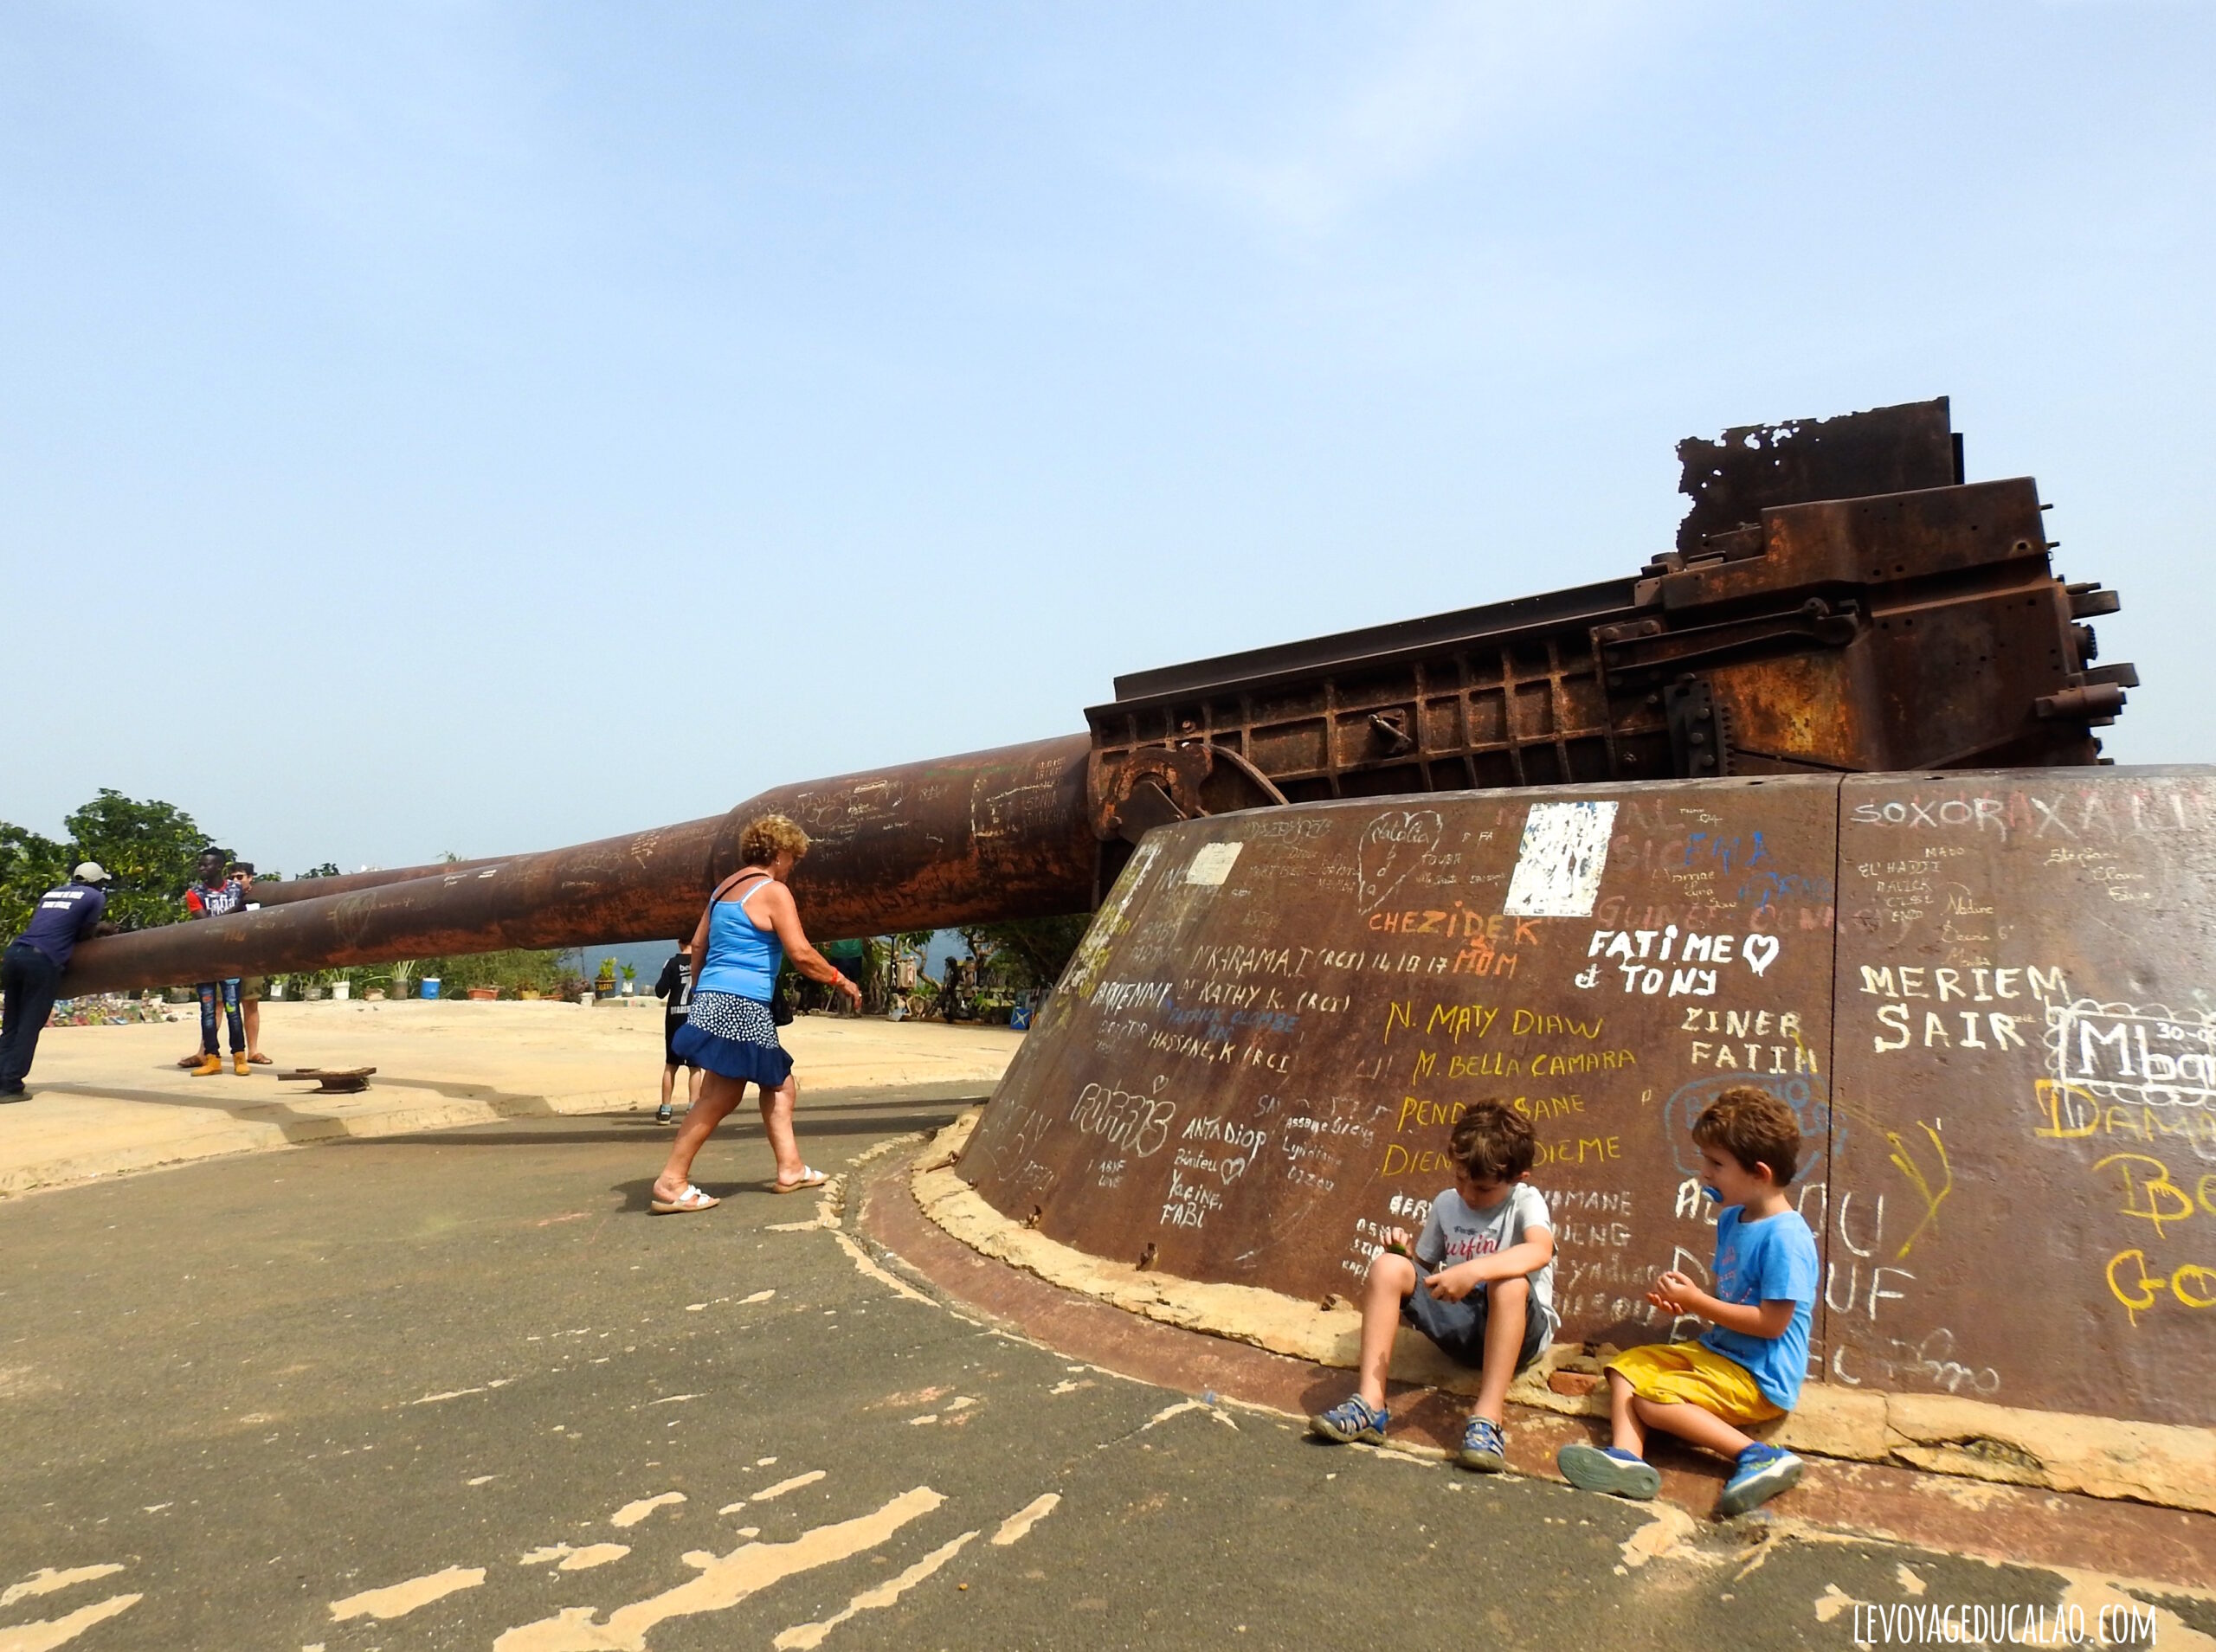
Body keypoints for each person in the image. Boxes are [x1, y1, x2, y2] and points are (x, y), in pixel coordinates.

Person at [1556, 1084, 1818, 1517]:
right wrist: (1689, 1302)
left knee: (1651, 1398)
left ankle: (1759, 1456)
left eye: (1716, 1164)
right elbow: (1734, 1298)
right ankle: (1626, 1458)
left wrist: (1697, 1303)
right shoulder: (1735, 1217)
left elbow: (1772, 1324)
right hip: (1723, 1353)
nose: (1704, 1174)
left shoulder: (1786, 1238)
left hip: (1761, 1376)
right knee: (1625, 1368)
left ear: (1759, 1173)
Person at [1310, 1101, 1556, 1472]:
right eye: (1460, 1179)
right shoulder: (1446, 1203)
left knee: (1508, 1284)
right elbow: (1423, 1270)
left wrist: (1473, 1271)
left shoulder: (1526, 1200)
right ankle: (1371, 1403)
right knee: (1387, 1268)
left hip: (1517, 1332)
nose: (1469, 1194)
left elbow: (1540, 1249)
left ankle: (1488, 1419)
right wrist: (1403, 1256)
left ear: (1519, 1177)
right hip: (1461, 1325)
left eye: (1484, 1188)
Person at [649, 814, 861, 1213]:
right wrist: (841, 980)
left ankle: (791, 1168)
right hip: (741, 1003)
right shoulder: (773, 891)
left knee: (779, 1082)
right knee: (721, 1095)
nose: (792, 867)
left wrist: (701, 989)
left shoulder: (723, 890)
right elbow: (800, 953)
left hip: (715, 996)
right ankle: (671, 1182)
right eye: (793, 859)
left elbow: (697, 945)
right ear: (780, 853)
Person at [0, 863, 119, 1100]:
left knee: (11, 1023)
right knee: (28, 1025)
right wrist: (104, 928)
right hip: (42, 961)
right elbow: (84, 933)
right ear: (97, 882)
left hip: (15, 954)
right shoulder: (95, 896)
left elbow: (55, 923)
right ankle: (10, 1084)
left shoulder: (52, 892)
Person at [183, 847, 248, 1077]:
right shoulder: (194, 893)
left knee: (232, 1009)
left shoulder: (236, 889)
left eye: (206, 865)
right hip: (206, 960)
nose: (201, 868)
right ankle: (212, 1058)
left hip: (231, 958)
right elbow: (205, 925)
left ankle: (240, 1056)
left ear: (219, 866)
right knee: (208, 1011)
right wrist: (234, 911)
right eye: (200, 864)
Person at [653, 939, 704, 1126]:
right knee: (695, 1066)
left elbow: (660, 991)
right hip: (696, 1016)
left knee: (671, 1064)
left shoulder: (672, 963)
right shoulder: (702, 961)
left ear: (679, 942)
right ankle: (693, 1106)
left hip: (675, 1016)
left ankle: (666, 1108)